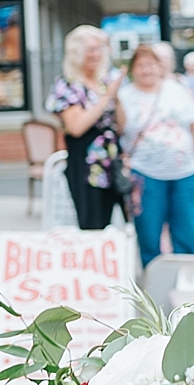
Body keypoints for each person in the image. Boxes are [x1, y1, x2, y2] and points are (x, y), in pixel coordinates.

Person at [116, 44, 194, 271]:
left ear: (160, 67)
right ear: (132, 69)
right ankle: (153, 285)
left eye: (151, 64)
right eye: (141, 65)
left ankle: (185, 285)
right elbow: (118, 132)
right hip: (145, 175)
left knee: (186, 232)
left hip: (185, 173)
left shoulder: (177, 89)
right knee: (149, 234)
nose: (146, 70)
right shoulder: (123, 96)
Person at [48, 25, 126, 231]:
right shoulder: (67, 85)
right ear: (77, 52)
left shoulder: (103, 82)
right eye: (91, 49)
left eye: (99, 49)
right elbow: (76, 127)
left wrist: (116, 97)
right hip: (86, 165)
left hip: (112, 163)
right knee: (92, 225)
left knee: (119, 225)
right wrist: (107, 97)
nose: (96, 55)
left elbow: (122, 126)